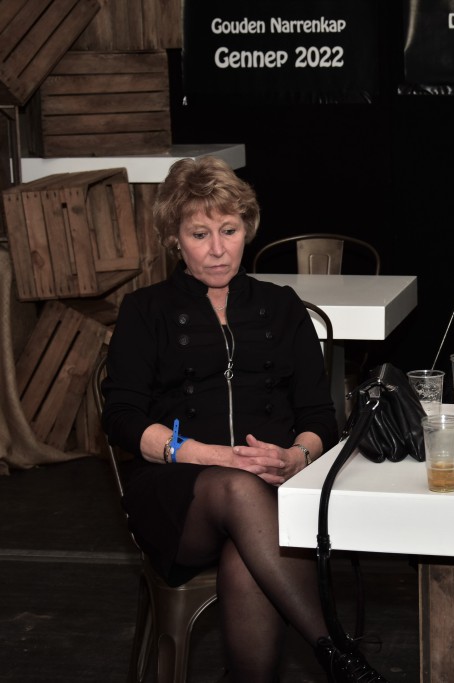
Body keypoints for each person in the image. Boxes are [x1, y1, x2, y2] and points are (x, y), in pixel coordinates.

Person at [101, 156, 387, 683]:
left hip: (272, 489)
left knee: (247, 546)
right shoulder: (145, 310)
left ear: (246, 230)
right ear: (175, 239)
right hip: (177, 492)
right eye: (200, 234)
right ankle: (340, 655)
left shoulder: (282, 306)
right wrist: (211, 456)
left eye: (228, 231)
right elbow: (121, 417)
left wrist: (295, 456)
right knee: (238, 489)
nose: (217, 249)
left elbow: (320, 414)